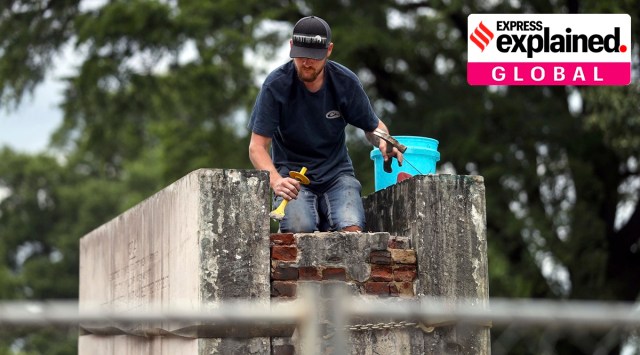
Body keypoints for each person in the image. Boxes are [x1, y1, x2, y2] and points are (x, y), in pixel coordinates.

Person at [248, 15, 403, 233]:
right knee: (298, 230)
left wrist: (383, 140)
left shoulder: (345, 82)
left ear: (328, 50)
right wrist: (276, 181)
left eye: (314, 57)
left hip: (336, 174)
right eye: (301, 55)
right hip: (292, 177)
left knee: (351, 227)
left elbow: (373, 127)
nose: (306, 62)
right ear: (291, 46)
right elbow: (256, 147)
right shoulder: (276, 86)